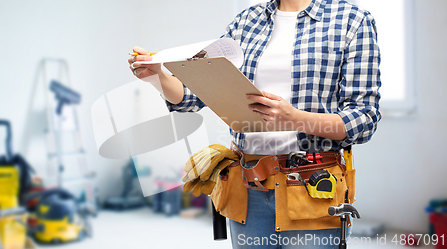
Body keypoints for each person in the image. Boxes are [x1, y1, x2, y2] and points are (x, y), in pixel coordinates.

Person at [128, 0, 381, 248]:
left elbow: (364, 119)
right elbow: (193, 96)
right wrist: (157, 77)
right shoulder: (246, 22)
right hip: (249, 188)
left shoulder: (352, 20)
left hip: (312, 189)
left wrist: (295, 118)